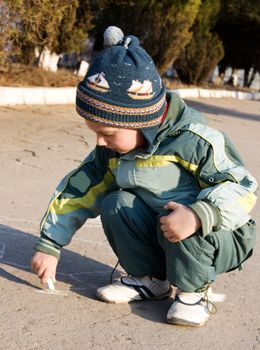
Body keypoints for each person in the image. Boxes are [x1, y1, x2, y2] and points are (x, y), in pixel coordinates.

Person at [31, 27, 257, 327]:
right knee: (115, 202)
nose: (99, 142)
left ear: (141, 120)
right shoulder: (111, 153)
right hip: (165, 229)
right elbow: (78, 190)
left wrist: (201, 214)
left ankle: (194, 291)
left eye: (107, 133)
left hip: (220, 233)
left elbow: (243, 188)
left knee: (176, 213)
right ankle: (151, 280)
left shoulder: (194, 141)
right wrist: (50, 244)